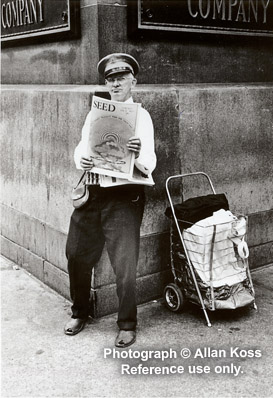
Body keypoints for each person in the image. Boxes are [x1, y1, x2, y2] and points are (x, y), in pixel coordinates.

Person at [64, 53, 156, 348]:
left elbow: (150, 163)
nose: (116, 84)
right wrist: (85, 159)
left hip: (123, 196)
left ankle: (127, 323)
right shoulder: (96, 113)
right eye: (111, 79)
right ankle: (80, 311)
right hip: (94, 192)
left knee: (124, 262)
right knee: (76, 254)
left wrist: (137, 151)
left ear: (133, 82)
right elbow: (80, 148)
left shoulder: (141, 116)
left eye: (121, 79)